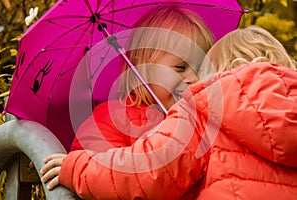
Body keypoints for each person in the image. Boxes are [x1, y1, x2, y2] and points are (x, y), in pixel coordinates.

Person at [40, 25, 297, 200]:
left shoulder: (205, 111)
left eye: (201, 67)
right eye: (181, 66)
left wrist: (77, 168)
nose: (195, 79)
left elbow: (145, 169)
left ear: (217, 71)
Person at [70, 5, 214, 152]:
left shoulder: (206, 124)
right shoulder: (111, 121)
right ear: (142, 66)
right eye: (180, 68)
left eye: (201, 70)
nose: (195, 79)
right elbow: (100, 169)